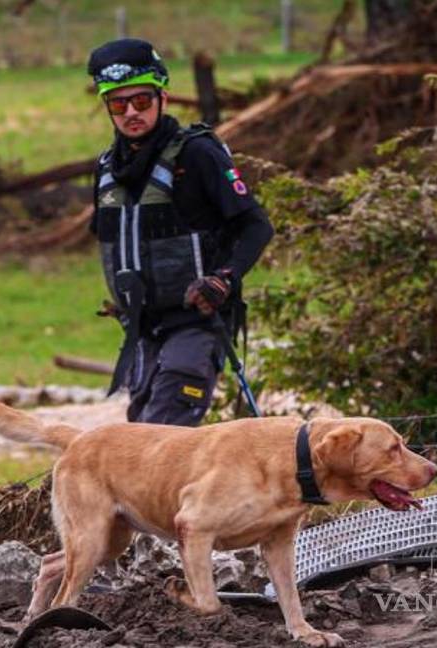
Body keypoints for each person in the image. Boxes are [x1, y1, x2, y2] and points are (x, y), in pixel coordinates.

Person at [87, 38, 274, 426]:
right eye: (118, 105)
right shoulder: (106, 168)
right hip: (142, 329)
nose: (131, 113)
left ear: (163, 98)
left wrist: (223, 279)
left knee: (162, 433)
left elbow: (256, 226)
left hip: (197, 322)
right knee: (139, 436)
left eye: (141, 101)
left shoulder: (197, 154)